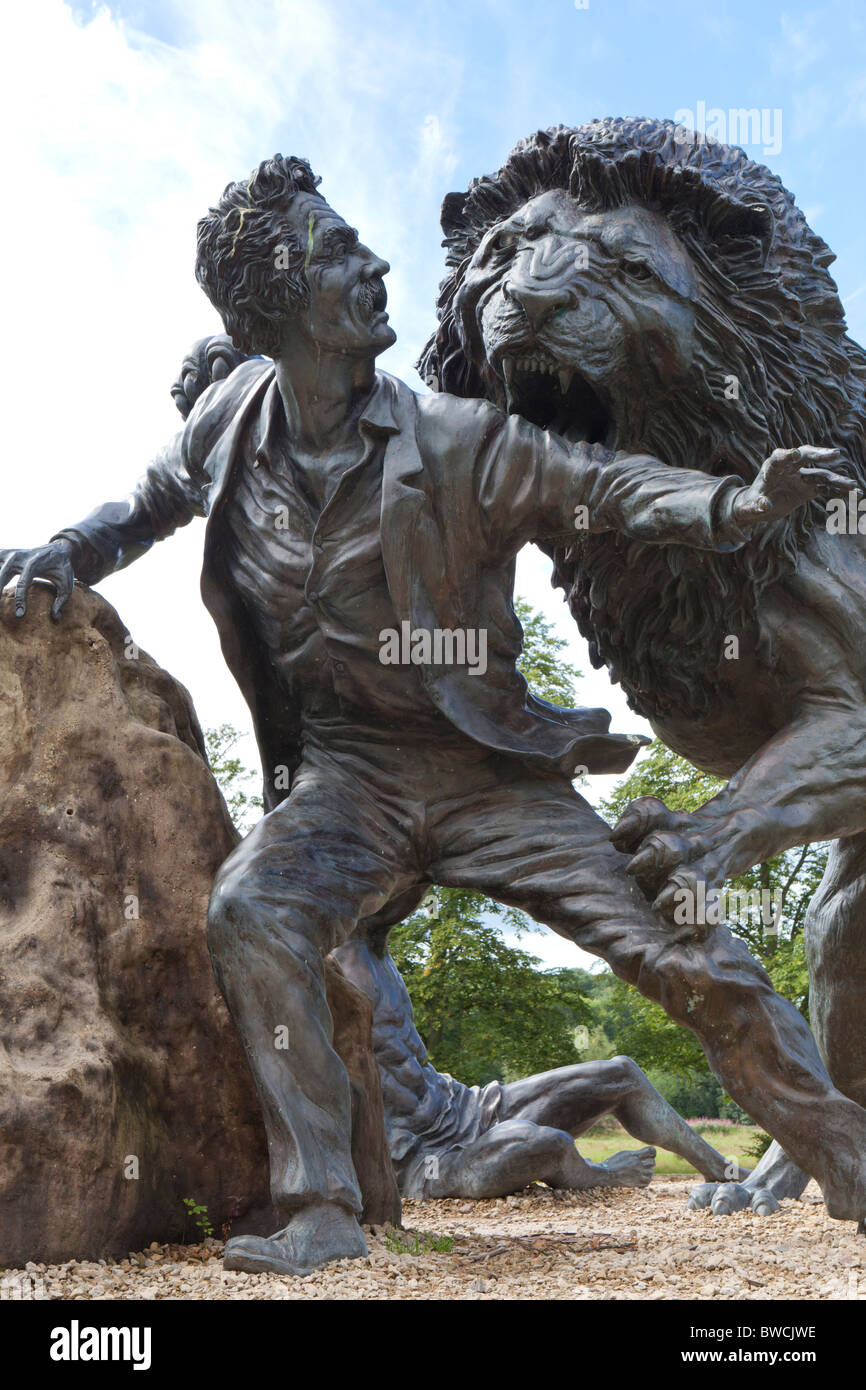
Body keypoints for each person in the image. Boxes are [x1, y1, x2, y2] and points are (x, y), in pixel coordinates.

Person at [3, 154, 862, 1276]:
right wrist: (70, 545)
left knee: (684, 955)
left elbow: (596, 485)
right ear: (276, 300)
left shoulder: (455, 436)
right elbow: (149, 500)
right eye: (338, 252)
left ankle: (846, 1156)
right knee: (251, 910)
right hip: (347, 780)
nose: (375, 264)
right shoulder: (229, 420)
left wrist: (733, 502)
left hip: (480, 771)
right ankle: (318, 1202)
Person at [333, 933, 752, 1201]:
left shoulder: (374, 939)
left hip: (466, 1107)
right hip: (423, 1158)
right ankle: (603, 1175)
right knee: (541, 1142)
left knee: (620, 1073)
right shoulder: (309, 949)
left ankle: (721, 1169)